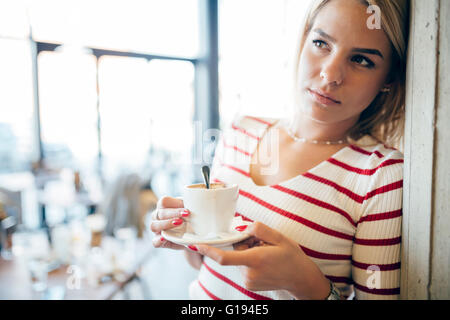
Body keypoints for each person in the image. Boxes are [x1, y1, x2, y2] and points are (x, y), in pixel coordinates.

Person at [150, 0, 409, 300]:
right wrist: (187, 234)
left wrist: (307, 285)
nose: (330, 74)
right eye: (321, 43)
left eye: (362, 60)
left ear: (388, 79)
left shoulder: (380, 176)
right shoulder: (240, 131)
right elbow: (210, 268)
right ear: (302, 41)